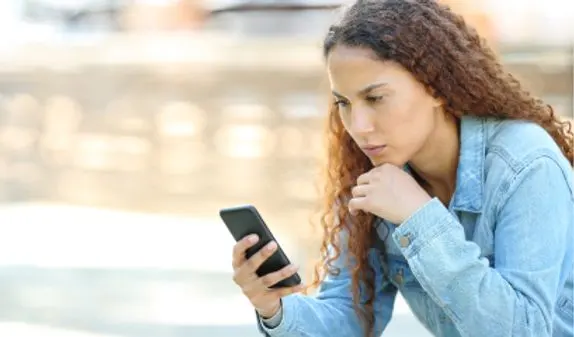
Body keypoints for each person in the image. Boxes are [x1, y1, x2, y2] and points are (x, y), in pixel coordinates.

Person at [230, 0, 574, 336]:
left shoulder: (526, 164)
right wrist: (274, 309)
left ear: (437, 86)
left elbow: (526, 330)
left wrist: (419, 218)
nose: (359, 126)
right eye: (344, 103)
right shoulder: (375, 174)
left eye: (376, 98)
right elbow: (349, 319)